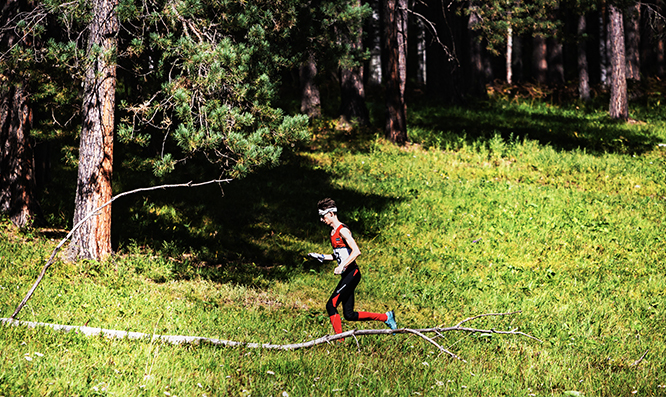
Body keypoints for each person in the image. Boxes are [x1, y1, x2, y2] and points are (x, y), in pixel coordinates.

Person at [308, 198, 397, 337]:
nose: (321, 219)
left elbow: (356, 251)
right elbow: (339, 255)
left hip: (352, 273)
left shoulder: (342, 231)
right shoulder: (332, 233)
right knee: (349, 314)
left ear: (331, 213)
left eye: (323, 216)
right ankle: (386, 317)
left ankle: (339, 341)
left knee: (331, 305)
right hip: (347, 274)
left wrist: (342, 266)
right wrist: (321, 256)